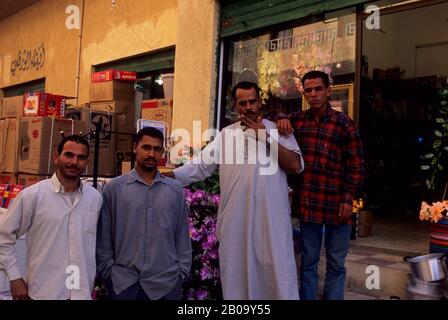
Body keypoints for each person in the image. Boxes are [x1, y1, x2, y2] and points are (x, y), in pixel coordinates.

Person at [164, 81, 304, 300]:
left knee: (277, 278)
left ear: (260, 102)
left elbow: (295, 165)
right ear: (235, 106)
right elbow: (200, 167)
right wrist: (168, 176)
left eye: (252, 101)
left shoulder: (277, 129)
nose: (248, 107)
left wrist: (265, 135)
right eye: (242, 103)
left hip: (271, 224)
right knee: (237, 278)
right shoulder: (226, 135)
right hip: (235, 224)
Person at [276, 70, 365, 300]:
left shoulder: (344, 124)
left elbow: (356, 164)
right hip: (309, 203)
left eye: (318, 89)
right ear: (303, 93)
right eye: (308, 90)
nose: (313, 94)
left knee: (336, 264)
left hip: (338, 205)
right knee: (308, 263)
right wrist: (280, 117)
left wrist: (348, 197)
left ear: (328, 90)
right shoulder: (296, 121)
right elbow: (269, 119)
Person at [0, 135, 102, 300]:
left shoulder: (95, 199)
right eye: (69, 155)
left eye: (81, 157)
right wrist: (14, 277)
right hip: (45, 292)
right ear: (57, 157)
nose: (74, 162)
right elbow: (3, 238)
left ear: (87, 162)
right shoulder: (33, 196)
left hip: (81, 292)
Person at [96, 127, 191, 300]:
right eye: (146, 147)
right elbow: (104, 238)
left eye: (157, 149)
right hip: (124, 285)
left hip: (166, 285)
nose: (151, 154)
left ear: (162, 152)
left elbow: (182, 236)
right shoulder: (114, 189)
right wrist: (108, 273)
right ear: (135, 148)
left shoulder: (175, 190)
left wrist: (181, 273)